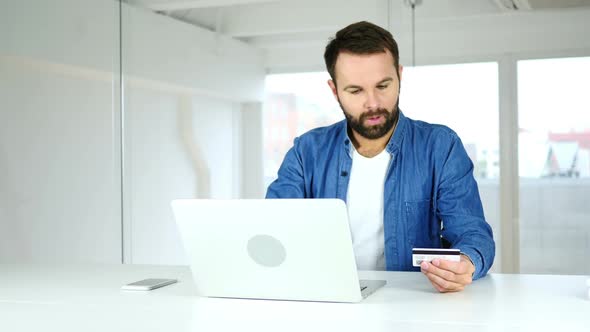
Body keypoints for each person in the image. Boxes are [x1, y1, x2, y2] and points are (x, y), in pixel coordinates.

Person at [266, 21, 495, 292]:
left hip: (414, 305)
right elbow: (273, 230)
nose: (372, 103)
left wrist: (467, 262)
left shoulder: (440, 146)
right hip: (327, 300)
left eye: (383, 85)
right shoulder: (307, 152)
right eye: (355, 90)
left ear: (399, 75)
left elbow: (472, 233)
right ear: (334, 90)